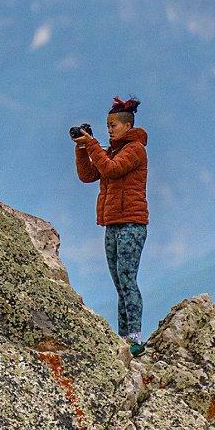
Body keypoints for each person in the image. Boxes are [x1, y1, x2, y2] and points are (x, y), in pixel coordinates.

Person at [72, 97, 149, 356]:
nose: (109, 130)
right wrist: (82, 149)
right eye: (107, 126)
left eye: (113, 125)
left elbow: (111, 170)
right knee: (119, 283)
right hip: (113, 223)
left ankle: (135, 337)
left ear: (127, 126)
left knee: (128, 279)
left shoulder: (135, 150)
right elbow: (88, 175)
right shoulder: (114, 151)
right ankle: (124, 338)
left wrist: (93, 145)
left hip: (131, 223)